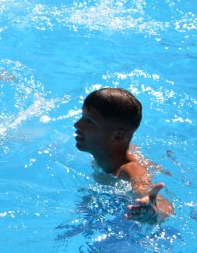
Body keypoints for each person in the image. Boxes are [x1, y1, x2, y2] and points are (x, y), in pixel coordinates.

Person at [73, 88, 174, 222]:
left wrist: (155, 212)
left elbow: (159, 200)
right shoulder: (110, 148)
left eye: (89, 121)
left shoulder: (129, 169)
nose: (77, 124)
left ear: (118, 136)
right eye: (82, 117)